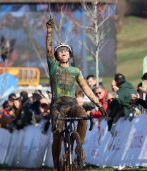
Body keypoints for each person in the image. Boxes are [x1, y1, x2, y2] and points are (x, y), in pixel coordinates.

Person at [46, 17, 107, 170]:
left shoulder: (75, 71)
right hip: (57, 105)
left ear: (70, 54)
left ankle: (78, 147)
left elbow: (86, 88)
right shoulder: (53, 67)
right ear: (56, 56)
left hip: (72, 103)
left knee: (83, 116)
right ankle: (56, 164)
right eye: (60, 51)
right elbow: (48, 48)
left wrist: (99, 105)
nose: (63, 52)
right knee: (58, 134)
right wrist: (49, 31)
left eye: (66, 51)